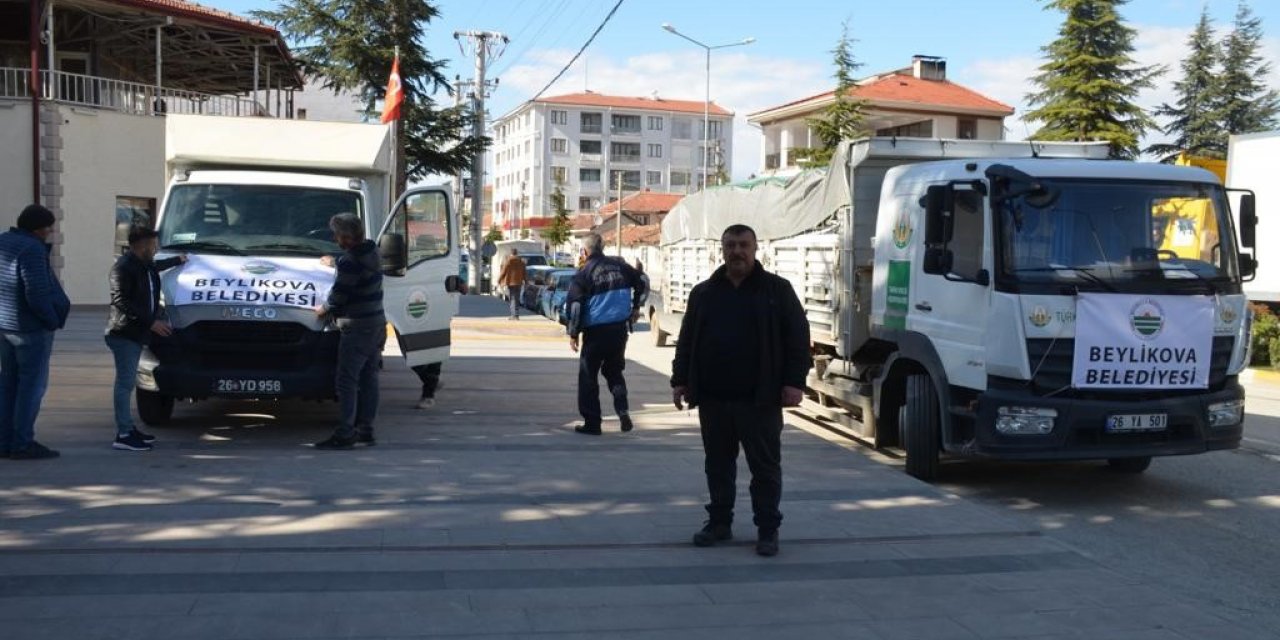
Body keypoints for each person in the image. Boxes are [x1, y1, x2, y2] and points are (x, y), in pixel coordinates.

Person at [671, 224, 811, 557]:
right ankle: (719, 522)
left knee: (764, 468)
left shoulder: (777, 290)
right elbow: (687, 340)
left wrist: (794, 383)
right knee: (717, 465)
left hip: (759, 400)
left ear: (755, 248)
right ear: (722, 250)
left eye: (743, 245)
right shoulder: (704, 293)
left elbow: (798, 340)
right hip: (713, 398)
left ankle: (767, 529)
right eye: (730, 245)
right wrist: (680, 380)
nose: (737, 251)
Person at [104, 227, 186, 451]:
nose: (155, 248)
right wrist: (151, 323)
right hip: (123, 334)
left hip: (136, 333)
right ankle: (123, 434)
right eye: (152, 245)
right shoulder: (122, 268)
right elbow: (121, 300)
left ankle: (130, 429)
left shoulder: (145, 265)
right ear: (141, 245)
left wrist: (178, 260)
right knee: (125, 384)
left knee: (127, 382)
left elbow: (157, 267)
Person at [0, 204, 71, 460]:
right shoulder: (32, 249)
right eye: (48, 228)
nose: (50, 232)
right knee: (31, 388)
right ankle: (22, 443)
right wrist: (51, 320)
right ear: (38, 229)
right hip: (30, 329)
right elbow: (36, 292)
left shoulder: (3, 241)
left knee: (8, 385)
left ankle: (4, 441)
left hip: (5, 326)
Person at [313, 213, 385, 450]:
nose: (335, 239)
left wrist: (322, 309)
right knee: (369, 378)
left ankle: (345, 433)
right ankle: (366, 431)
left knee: (346, 380)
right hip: (376, 322)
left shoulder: (350, 262)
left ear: (345, 237)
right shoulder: (373, 252)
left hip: (356, 326)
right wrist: (335, 262)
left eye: (336, 234)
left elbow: (339, 295)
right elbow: (357, 266)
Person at [565, 233, 647, 435]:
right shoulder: (621, 267)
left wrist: (573, 333)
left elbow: (575, 306)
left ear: (584, 251)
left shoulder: (584, 274)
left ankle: (592, 423)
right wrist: (636, 306)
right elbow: (643, 281)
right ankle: (623, 411)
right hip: (619, 331)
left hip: (595, 333)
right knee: (614, 372)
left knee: (588, 377)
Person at [497, 248, 526, 320]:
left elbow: (503, 272)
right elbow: (524, 273)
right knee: (517, 298)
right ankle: (516, 315)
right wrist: (526, 281)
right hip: (519, 282)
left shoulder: (508, 261)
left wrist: (499, 280)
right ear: (517, 253)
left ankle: (514, 315)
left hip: (510, 282)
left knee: (512, 299)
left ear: (511, 253)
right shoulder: (521, 262)